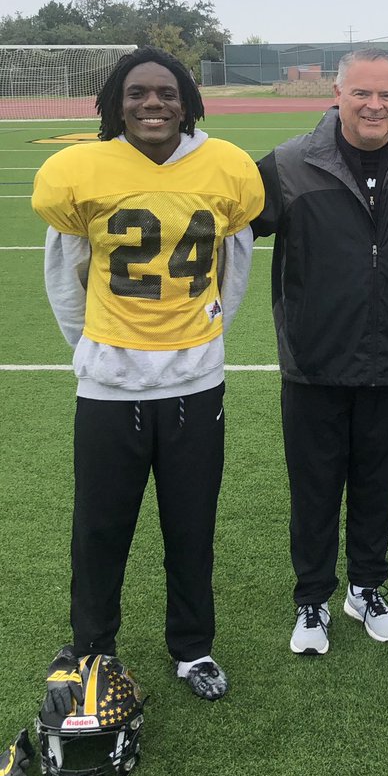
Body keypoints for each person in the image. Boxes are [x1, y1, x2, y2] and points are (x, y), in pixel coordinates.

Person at [31, 45, 264, 700]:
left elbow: (235, 266)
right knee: (99, 528)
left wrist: (204, 337)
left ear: (187, 103)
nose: (152, 103)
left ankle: (192, 648)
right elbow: (64, 275)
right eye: (137, 93)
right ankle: (93, 646)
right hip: (109, 384)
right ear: (117, 102)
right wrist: (97, 350)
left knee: (190, 526)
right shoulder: (80, 171)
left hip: (196, 382)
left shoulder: (225, 167)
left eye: (166, 92)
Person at [252, 47, 388, 655]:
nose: (374, 105)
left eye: (386, 94)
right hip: (312, 361)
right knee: (314, 488)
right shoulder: (288, 165)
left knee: (378, 484)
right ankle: (312, 598)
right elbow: (233, 226)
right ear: (337, 95)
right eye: (362, 93)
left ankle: (365, 588)